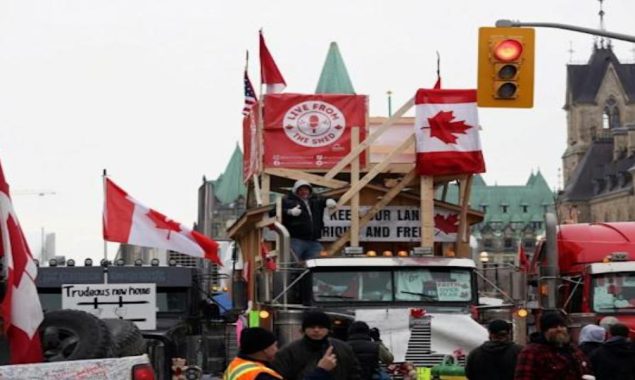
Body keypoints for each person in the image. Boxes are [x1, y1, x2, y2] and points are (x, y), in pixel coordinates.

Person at [273, 310, 361, 380]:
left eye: (321, 327)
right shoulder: (288, 352)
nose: (316, 330)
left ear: (328, 330)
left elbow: (355, 374)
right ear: (303, 330)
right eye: (311, 327)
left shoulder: (344, 349)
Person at [223, 327, 336, 380]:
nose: (277, 349)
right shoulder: (261, 375)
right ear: (266, 349)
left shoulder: (237, 364)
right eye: (274, 346)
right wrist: (321, 370)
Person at [514, 312, 592, 380]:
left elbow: (587, 371)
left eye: (562, 326)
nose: (559, 329)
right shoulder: (532, 352)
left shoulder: (574, 350)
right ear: (545, 331)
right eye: (553, 327)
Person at [281, 180, 337, 261]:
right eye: (301, 190)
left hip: (314, 240)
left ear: (309, 190)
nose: (304, 192)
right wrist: (289, 212)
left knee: (318, 264)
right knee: (292, 264)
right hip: (296, 240)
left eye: (306, 189)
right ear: (296, 191)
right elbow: (273, 212)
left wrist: (329, 200)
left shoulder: (316, 200)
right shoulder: (287, 201)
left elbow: (332, 197)